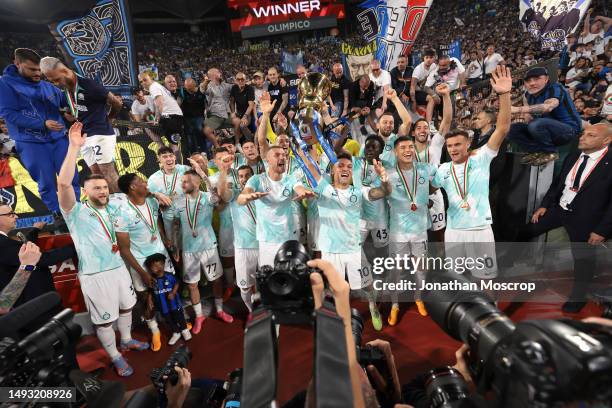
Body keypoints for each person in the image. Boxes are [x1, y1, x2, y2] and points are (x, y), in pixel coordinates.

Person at [57, 122, 149, 377]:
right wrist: (74, 147)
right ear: (85, 192)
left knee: (127, 307)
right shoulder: (75, 212)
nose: (103, 191)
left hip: (119, 267)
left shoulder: (113, 207)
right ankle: (115, 356)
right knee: (105, 320)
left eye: (105, 188)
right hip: (95, 276)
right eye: (97, 188)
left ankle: (127, 339)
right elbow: (64, 186)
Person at [431, 65, 513, 280]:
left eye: (458, 144)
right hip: (454, 231)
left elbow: (502, 128)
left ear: (468, 144)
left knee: (486, 279)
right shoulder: (444, 169)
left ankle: (489, 312)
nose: (454, 149)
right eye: (450, 146)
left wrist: (504, 94)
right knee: (456, 278)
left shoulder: (481, 156)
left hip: (479, 229)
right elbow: (430, 189)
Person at [520, 122, 611, 313]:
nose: (582, 137)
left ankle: (578, 297)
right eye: (584, 133)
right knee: (527, 230)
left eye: (591, 135)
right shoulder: (573, 155)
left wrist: (602, 230)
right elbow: (558, 183)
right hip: (559, 209)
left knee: (583, 260)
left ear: (607, 140)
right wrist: (544, 205)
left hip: (586, 219)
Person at [298, 148, 391, 331]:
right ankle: (340, 318)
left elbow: (382, 192)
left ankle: (372, 307)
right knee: (335, 290)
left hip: (353, 249)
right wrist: (300, 147)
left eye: (349, 166)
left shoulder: (359, 191)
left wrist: (384, 179)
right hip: (330, 251)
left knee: (368, 286)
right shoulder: (323, 188)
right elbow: (309, 165)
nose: (345, 168)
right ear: (333, 170)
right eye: (340, 165)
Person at [0, 48, 80, 217]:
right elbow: (9, 114)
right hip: (30, 142)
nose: (38, 73)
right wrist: (42, 124)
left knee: (72, 177)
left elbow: (65, 102)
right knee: (47, 183)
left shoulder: (46, 85)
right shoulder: (5, 84)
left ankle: (76, 211)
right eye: (32, 70)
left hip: (58, 138)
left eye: (39, 70)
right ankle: (58, 215)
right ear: (17, 63)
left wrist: (68, 112)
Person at [40, 56, 123, 193]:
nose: (55, 84)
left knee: (107, 172)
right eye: (52, 81)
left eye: (56, 79)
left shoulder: (88, 85)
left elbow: (116, 102)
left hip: (100, 133)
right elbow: (75, 109)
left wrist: (110, 118)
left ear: (64, 71)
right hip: (84, 137)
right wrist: (70, 113)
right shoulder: (66, 89)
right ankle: (110, 207)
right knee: (97, 176)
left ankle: (124, 207)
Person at [169, 169, 234, 332]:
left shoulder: (207, 198)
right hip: (189, 250)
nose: (182, 184)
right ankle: (199, 316)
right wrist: (176, 246)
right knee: (192, 285)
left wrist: (202, 174)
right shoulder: (177, 202)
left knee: (216, 280)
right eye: (182, 181)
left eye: (186, 181)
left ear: (197, 183)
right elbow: (176, 225)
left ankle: (219, 310)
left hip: (208, 247)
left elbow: (220, 199)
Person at [116, 173, 174, 352]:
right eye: (141, 181)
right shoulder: (122, 213)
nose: (145, 182)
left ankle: (174, 324)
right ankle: (154, 330)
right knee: (146, 299)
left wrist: (164, 240)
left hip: (161, 255)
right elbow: (124, 249)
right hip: (140, 262)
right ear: (132, 187)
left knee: (168, 290)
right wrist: (142, 272)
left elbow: (155, 220)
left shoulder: (151, 201)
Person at [237, 146, 315, 267]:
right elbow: (241, 198)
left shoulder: (290, 178)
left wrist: (304, 192)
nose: (282, 157)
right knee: (269, 278)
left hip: (289, 237)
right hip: (267, 240)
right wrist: (247, 197)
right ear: (268, 160)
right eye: (277, 155)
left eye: (284, 155)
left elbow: (299, 188)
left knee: (290, 276)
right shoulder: (257, 180)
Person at [0, 204, 75, 313]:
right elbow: (43, 259)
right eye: (10, 214)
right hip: (35, 309)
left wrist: (35, 230)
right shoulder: (3, 244)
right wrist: (76, 246)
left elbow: (22, 247)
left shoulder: (5, 243)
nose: (16, 216)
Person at [509, 66, 582, 166]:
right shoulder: (527, 95)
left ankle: (551, 152)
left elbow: (548, 107)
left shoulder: (555, 88)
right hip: (544, 130)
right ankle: (536, 151)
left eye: (536, 79)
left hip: (569, 130)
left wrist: (516, 109)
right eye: (528, 81)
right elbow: (529, 118)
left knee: (536, 124)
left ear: (546, 79)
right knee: (513, 128)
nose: (532, 83)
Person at [215, 163, 258, 313]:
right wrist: (223, 170)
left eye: (247, 175)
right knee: (245, 286)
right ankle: (252, 311)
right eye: (241, 176)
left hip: (263, 245)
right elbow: (222, 193)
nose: (244, 179)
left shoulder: (261, 191)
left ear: (254, 176)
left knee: (263, 283)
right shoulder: (234, 194)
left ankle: (264, 312)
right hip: (243, 247)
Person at [412, 83, 453, 242]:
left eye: (425, 128)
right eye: (419, 128)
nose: (423, 130)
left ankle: (442, 264)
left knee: (439, 233)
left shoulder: (435, 144)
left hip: (434, 194)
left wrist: (446, 96)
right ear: (413, 132)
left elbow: (447, 122)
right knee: (417, 235)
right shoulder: (406, 149)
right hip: (414, 196)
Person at [144, 253, 191, 346]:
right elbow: (150, 290)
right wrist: (149, 300)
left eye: (160, 264)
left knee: (179, 316)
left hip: (174, 304)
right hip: (163, 306)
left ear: (164, 264)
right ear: (150, 269)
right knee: (168, 319)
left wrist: (173, 292)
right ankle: (176, 332)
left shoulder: (169, 276)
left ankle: (184, 330)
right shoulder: (152, 280)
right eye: (154, 266)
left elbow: (177, 283)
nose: (158, 267)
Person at [358, 89, 413, 167]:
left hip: (393, 178)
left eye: (391, 123)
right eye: (385, 122)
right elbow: (360, 167)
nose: (388, 125)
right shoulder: (367, 144)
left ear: (394, 126)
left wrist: (395, 98)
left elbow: (407, 121)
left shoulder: (397, 141)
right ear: (377, 125)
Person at [139, 71, 184, 163]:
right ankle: (164, 151)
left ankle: (170, 158)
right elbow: (158, 105)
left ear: (151, 78)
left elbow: (160, 104)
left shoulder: (153, 87)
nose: (143, 83)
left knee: (173, 144)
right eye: (141, 81)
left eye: (145, 80)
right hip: (175, 117)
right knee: (173, 143)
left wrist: (160, 119)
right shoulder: (157, 86)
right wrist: (157, 119)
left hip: (171, 117)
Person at [178, 77, 207, 157]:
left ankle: (204, 151)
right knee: (189, 135)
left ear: (194, 85)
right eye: (186, 87)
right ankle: (193, 153)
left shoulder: (200, 91)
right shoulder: (182, 92)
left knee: (200, 130)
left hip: (199, 116)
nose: (188, 89)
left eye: (190, 87)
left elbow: (204, 86)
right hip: (187, 117)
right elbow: (178, 104)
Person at [410, 49, 438, 122]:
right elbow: (412, 87)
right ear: (423, 58)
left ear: (434, 58)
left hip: (427, 89)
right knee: (431, 99)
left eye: (431, 57)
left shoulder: (434, 66)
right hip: (417, 92)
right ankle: (429, 123)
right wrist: (413, 101)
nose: (429, 60)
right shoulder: (418, 70)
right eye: (427, 57)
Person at [229, 72, 255, 142]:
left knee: (242, 125)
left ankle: (251, 139)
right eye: (238, 79)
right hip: (238, 113)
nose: (240, 81)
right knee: (231, 123)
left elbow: (251, 105)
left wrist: (245, 116)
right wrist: (233, 112)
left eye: (242, 79)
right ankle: (237, 142)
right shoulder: (234, 88)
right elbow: (232, 101)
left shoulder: (250, 88)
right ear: (236, 80)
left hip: (248, 113)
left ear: (246, 80)